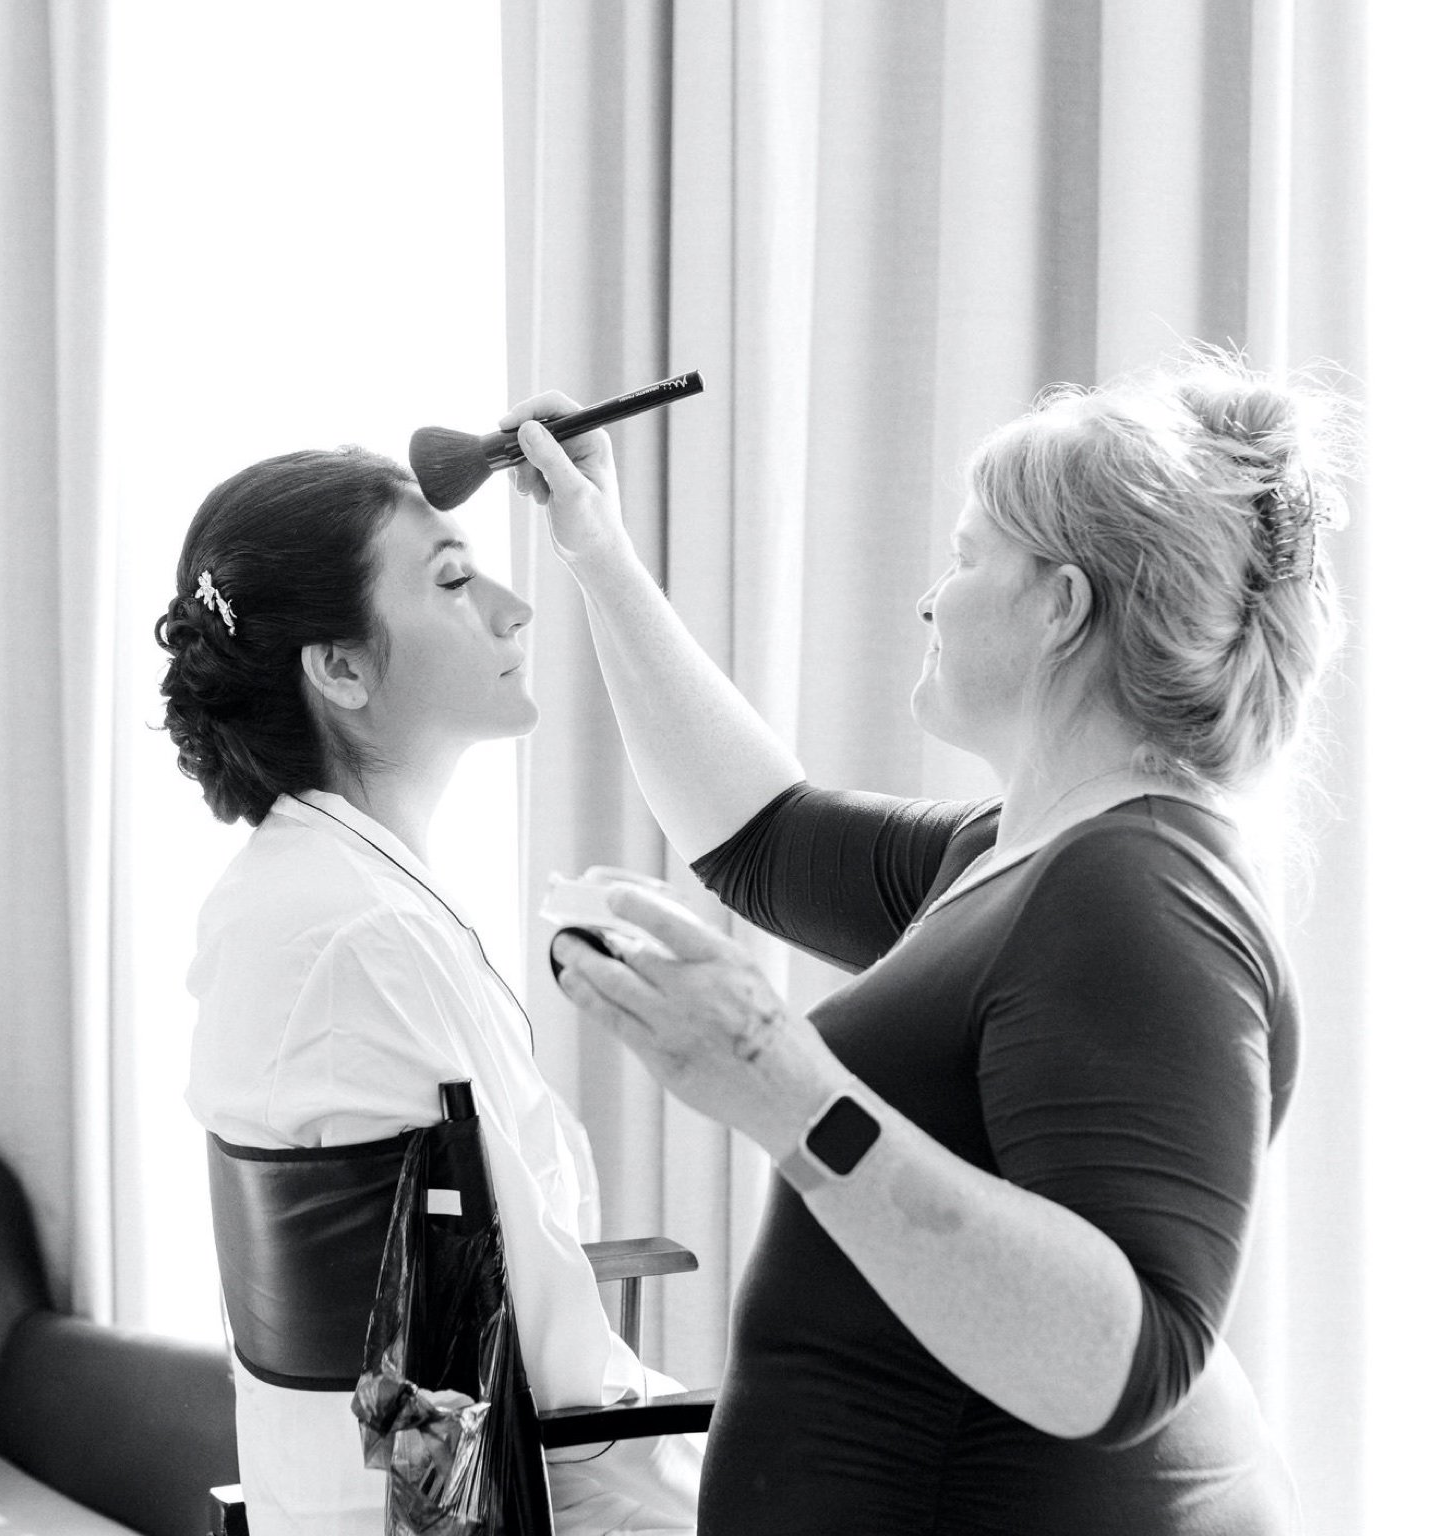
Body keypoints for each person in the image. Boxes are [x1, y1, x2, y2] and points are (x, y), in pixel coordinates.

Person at [507, 354, 1347, 1534]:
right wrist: (592, 543)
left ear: (1060, 604)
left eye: (964, 559)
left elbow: (1126, 1358)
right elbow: (757, 837)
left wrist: (777, 1086)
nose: (930, 598)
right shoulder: (1014, 853)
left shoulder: (1138, 893)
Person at [157, 446, 702, 1536]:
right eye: (453, 581)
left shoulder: (288, 894)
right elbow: (556, 1386)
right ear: (341, 670)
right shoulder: (367, 934)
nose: (511, 612)